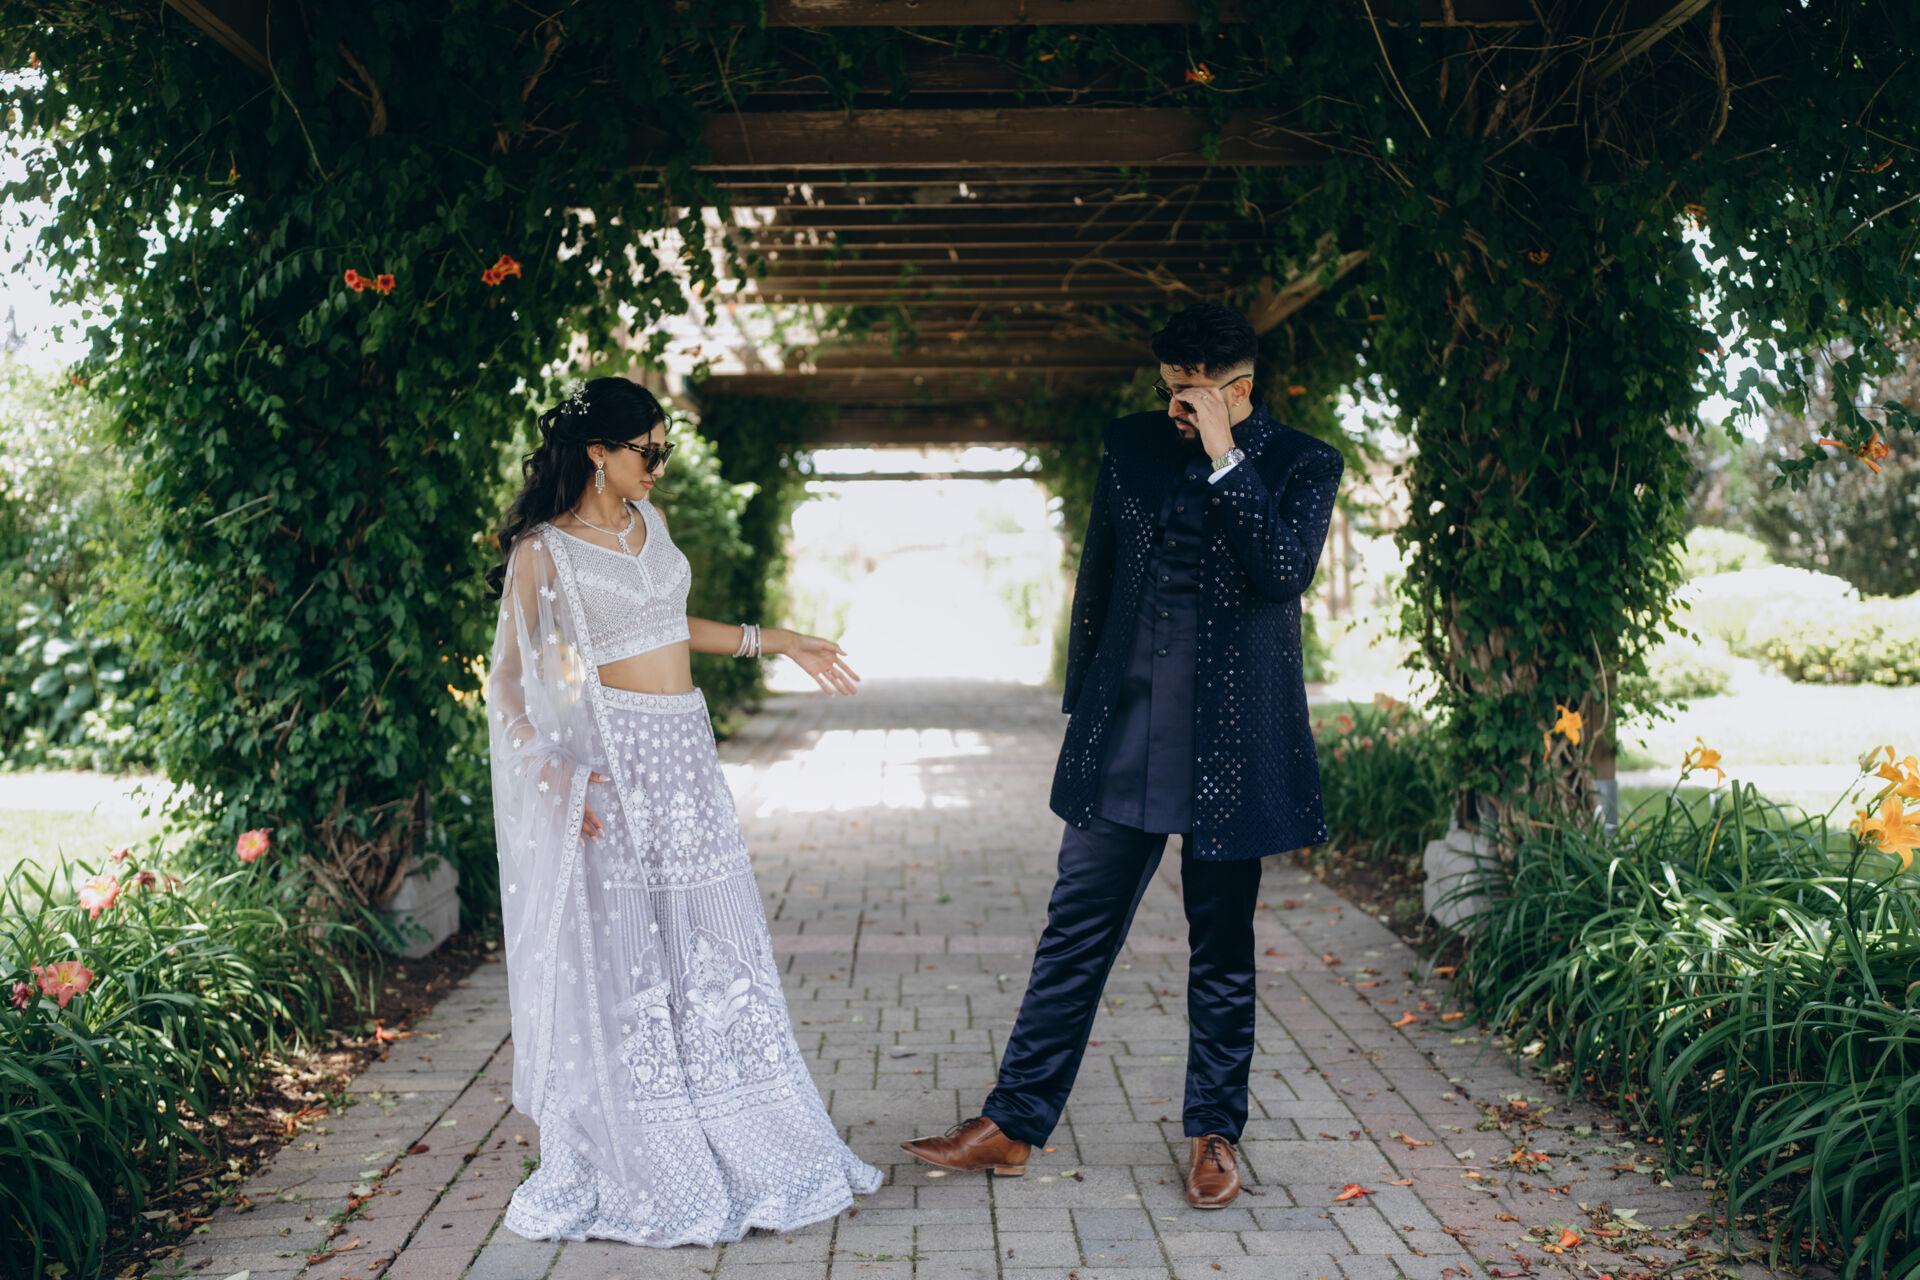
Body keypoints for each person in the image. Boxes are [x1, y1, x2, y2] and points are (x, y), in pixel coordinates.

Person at [902, 303, 1343, 1208]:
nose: (1174, 408)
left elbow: (1282, 571)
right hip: (1129, 730)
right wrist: (1083, 709)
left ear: (1239, 391)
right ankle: (1012, 1123)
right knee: (1075, 931)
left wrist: (1225, 456)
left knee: (1222, 948)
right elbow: (1098, 576)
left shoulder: (1303, 463)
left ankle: (1215, 1135)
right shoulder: (1129, 445)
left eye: (1193, 395)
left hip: (1231, 747)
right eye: (1169, 390)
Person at [485, 377, 881, 1246]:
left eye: (665, 451)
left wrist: (777, 640)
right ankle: (653, 1137)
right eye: (648, 452)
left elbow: (666, 624)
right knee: (633, 954)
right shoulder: (543, 552)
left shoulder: (649, 524)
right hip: (613, 764)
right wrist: (554, 775)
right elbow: (507, 682)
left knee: (712, 938)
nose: (659, 467)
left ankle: (744, 1119)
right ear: (598, 451)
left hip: (684, 754)